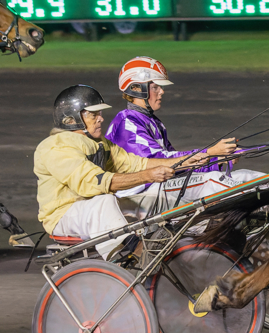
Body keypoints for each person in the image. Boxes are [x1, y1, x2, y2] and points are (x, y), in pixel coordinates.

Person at [34, 85, 210, 259]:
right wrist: (148, 176)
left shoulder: (99, 143)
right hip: (63, 217)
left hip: (93, 210)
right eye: (94, 115)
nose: (101, 119)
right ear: (71, 119)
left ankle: (198, 231)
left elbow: (137, 164)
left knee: (152, 199)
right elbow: (94, 182)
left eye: (100, 113)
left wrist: (184, 162)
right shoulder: (56, 146)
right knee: (104, 201)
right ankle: (131, 254)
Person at [105, 57, 264, 217]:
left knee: (245, 176)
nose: (161, 91)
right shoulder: (127, 122)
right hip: (137, 196)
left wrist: (218, 160)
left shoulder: (153, 122)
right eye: (155, 87)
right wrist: (210, 152)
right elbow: (158, 161)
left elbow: (180, 166)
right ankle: (263, 207)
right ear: (136, 89)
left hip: (158, 187)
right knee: (213, 181)